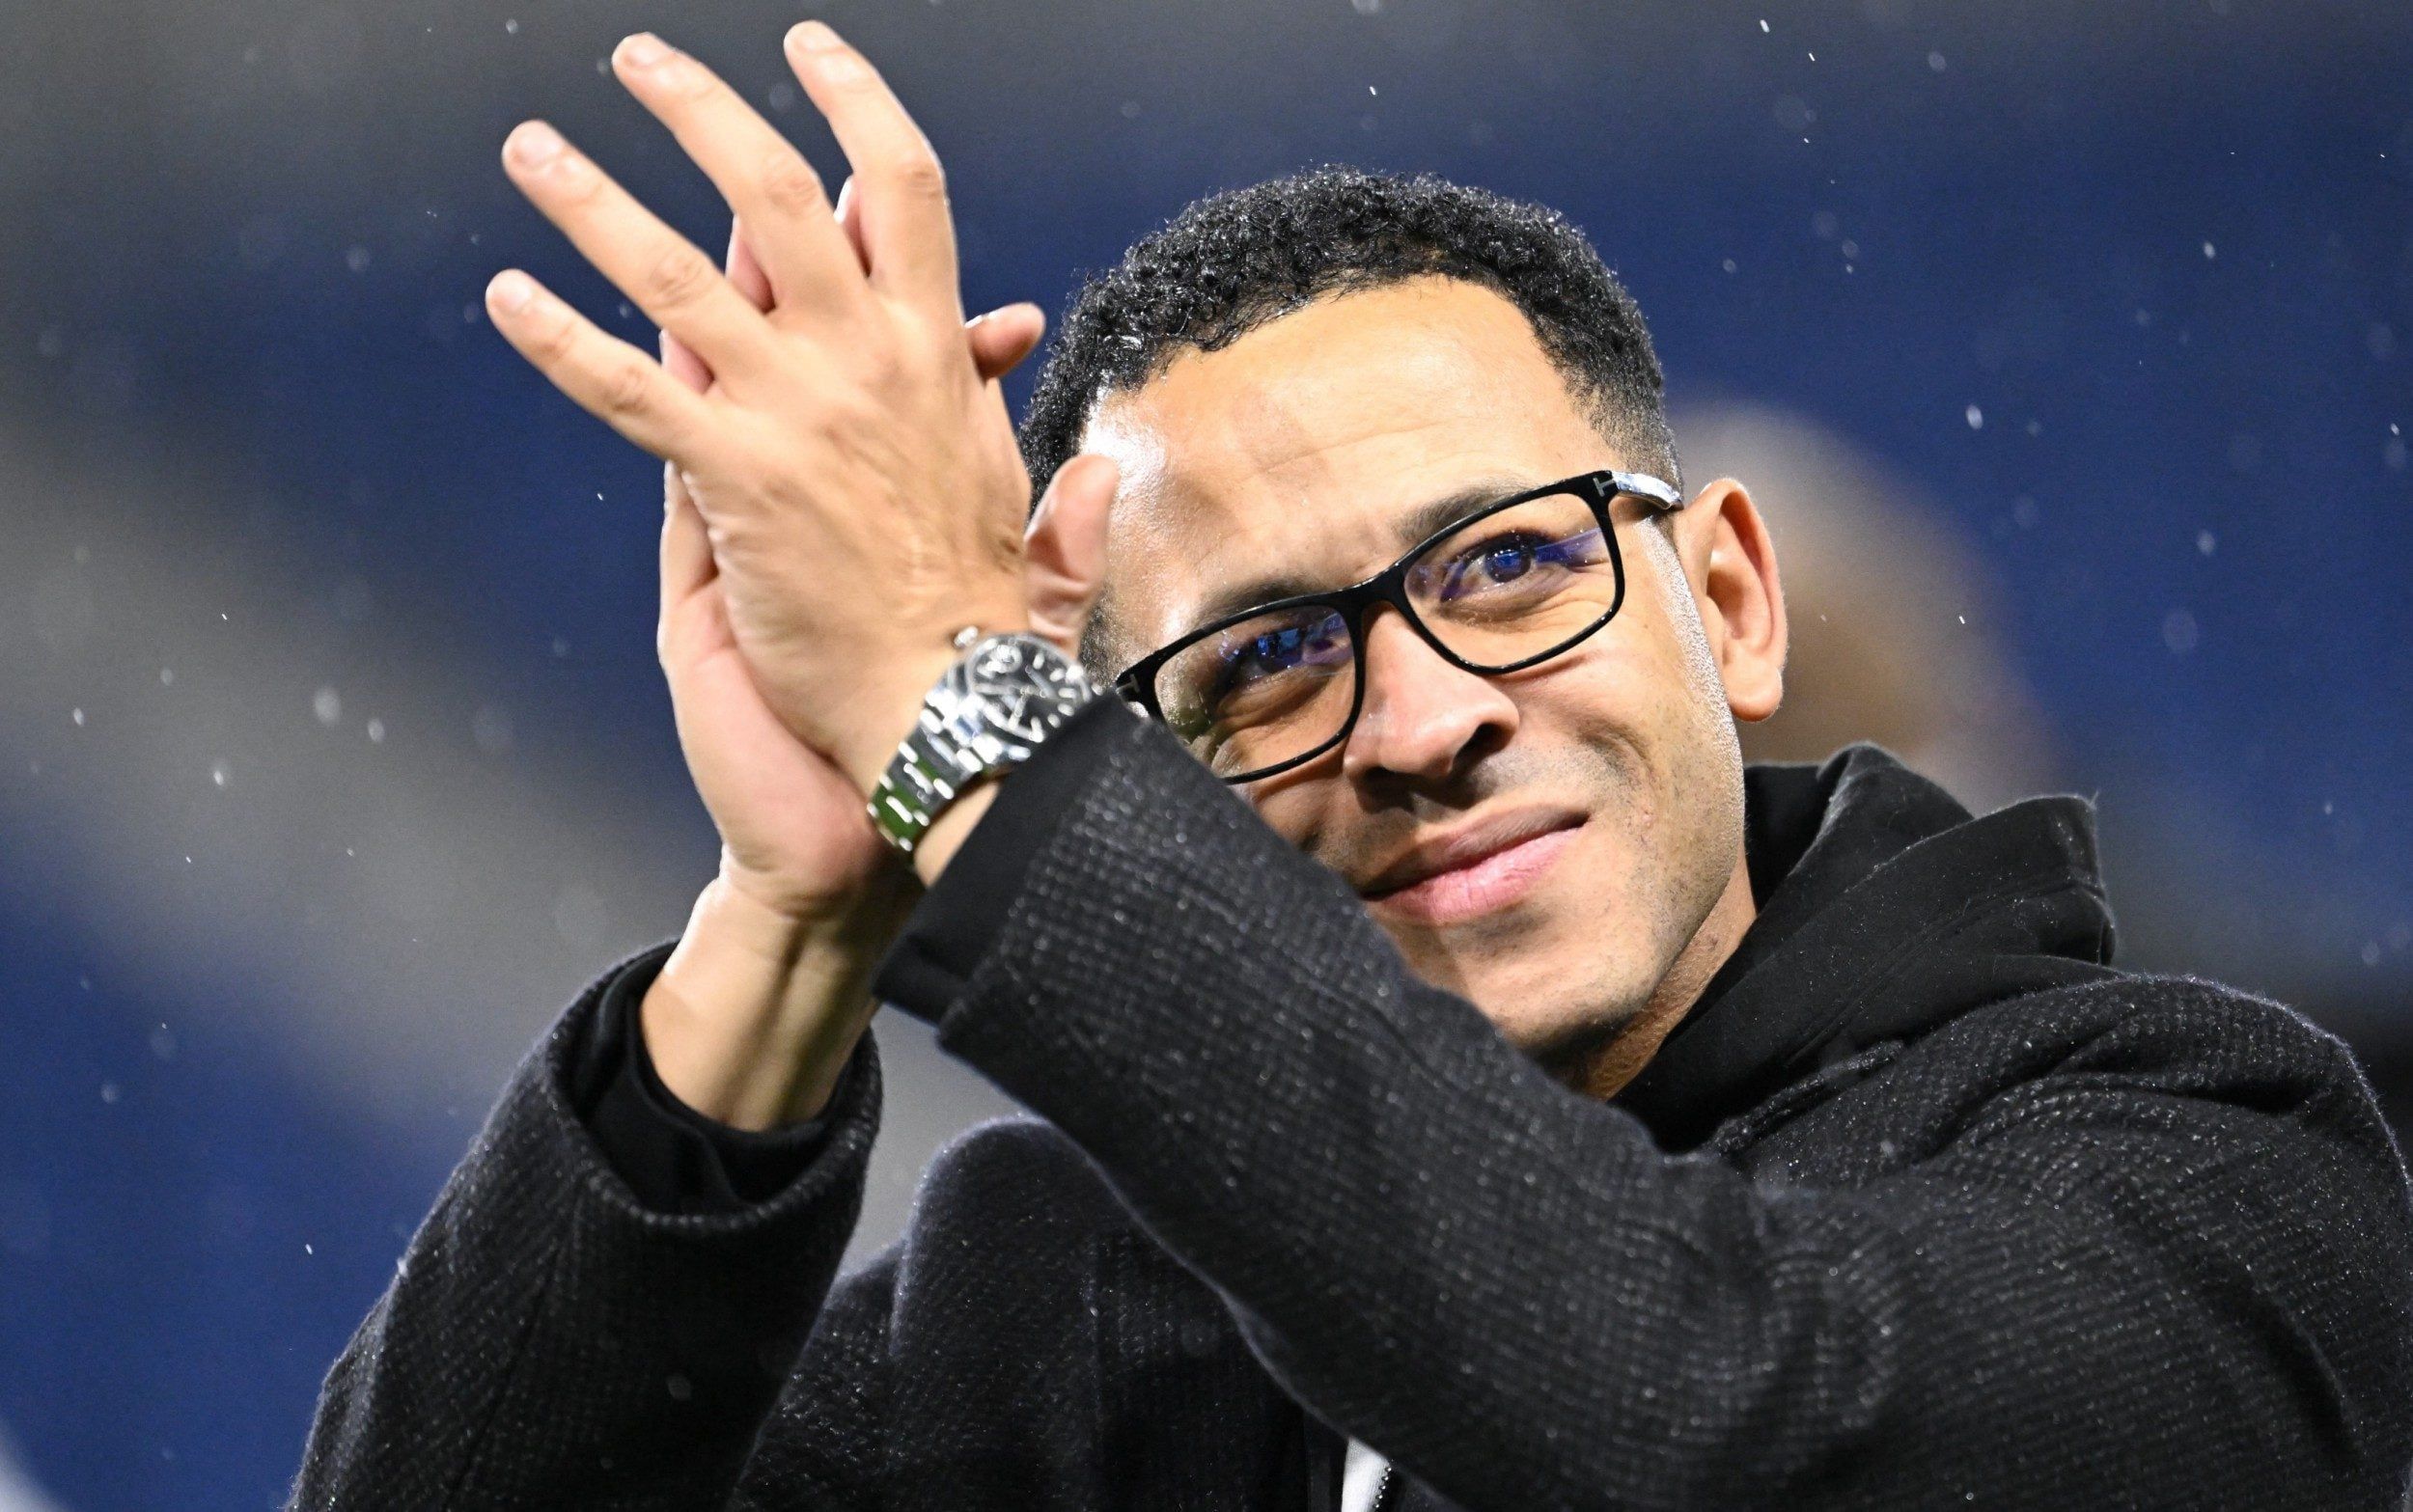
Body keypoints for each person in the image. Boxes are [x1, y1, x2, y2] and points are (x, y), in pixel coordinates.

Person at [289, 22, 2413, 1511]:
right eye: (1271, 656)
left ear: (1734, 602)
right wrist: (794, 916)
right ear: (1155, 761)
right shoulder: (1059, 1313)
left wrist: (971, 724)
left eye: (1503, 567)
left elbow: (1701, 1427)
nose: (1417, 721)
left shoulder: (2203, 1149)